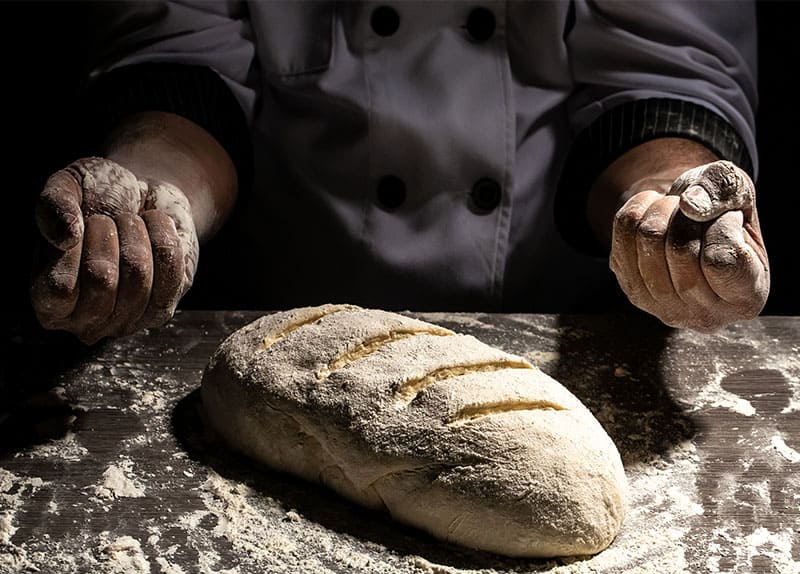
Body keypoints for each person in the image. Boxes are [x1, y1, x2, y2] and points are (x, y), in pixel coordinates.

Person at [29, 1, 769, 345]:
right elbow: (181, 47)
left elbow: (667, 62)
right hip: (263, 311)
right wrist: (155, 193)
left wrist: (668, 206)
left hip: (555, 319)